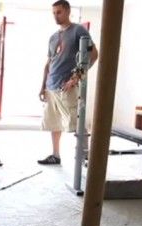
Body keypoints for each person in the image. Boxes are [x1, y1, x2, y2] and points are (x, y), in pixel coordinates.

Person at [37, 0, 98, 165]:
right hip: (51, 86)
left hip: (67, 86)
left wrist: (76, 78)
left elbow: (93, 55)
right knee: (54, 123)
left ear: (67, 11)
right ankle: (55, 155)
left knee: (77, 122)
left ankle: (86, 157)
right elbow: (48, 63)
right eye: (54, 13)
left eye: (59, 12)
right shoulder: (53, 37)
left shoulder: (78, 30)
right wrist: (42, 86)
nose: (56, 16)